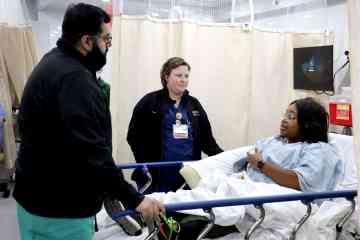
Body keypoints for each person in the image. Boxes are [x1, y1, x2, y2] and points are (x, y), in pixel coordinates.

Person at [13, 3, 164, 240]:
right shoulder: (76, 79)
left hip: (34, 198)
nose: (107, 46)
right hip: (61, 211)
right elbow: (92, 153)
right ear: (86, 41)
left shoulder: (52, 62)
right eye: (106, 39)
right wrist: (135, 199)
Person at [174, 97, 344, 239]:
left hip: (280, 203)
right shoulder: (274, 141)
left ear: (308, 123)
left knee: (206, 221)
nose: (284, 119)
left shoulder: (319, 150)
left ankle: (176, 221)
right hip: (249, 199)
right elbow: (247, 162)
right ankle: (172, 215)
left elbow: (301, 182)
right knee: (214, 194)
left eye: (291, 116)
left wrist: (261, 164)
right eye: (285, 114)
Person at [127, 57, 223, 193]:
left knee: (185, 212)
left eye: (186, 76)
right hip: (157, 177)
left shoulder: (193, 104)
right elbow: (133, 136)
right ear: (166, 76)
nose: (183, 79)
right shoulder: (150, 102)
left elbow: (208, 142)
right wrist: (146, 164)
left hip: (187, 177)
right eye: (178, 75)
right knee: (158, 213)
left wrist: (227, 159)